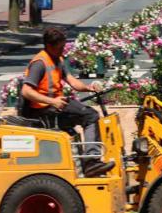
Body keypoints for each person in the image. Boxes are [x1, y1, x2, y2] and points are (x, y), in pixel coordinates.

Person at [21, 27, 115, 176]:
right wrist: (52, 102)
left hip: (57, 105)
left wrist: (89, 88)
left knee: (82, 115)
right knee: (90, 116)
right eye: (61, 47)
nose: (63, 50)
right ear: (50, 46)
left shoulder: (58, 59)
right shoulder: (39, 63)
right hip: (44, 110)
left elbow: (71, 80)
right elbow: (26, 91)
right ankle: (91, 162)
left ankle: (83, 161)